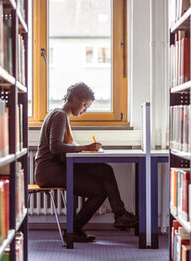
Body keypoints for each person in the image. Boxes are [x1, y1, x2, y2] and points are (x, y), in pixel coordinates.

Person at [34, 82, 138, 243]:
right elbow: (55, 147)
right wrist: (85, 147)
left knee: (104, 170)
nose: (85, 110)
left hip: (57, 168)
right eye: (84, 105)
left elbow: (63, 146)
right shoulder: (60, 116)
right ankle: (83, 226)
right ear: (74, 99)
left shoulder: (60, 115)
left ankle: (118, 215)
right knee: (101, 185)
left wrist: (87, 149)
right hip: (50, 172)